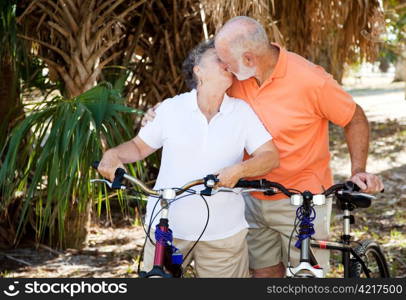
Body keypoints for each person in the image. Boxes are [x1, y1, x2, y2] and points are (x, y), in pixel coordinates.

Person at [142, 16, 384, 278]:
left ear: (248, 59)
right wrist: (158, 113)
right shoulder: (237, 78)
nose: (224, 67)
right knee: (263, 276)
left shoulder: (311, 80)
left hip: (301, 199)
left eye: (227, 62)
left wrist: (358, 169)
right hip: (249, 197)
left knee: (306, 279)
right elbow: (200, 98)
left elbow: (354, 117)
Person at [96, 39, 279, 278]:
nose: (226, 62)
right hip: (167, 228)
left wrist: (239, 170)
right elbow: (138, 148)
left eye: (228, 59)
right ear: (198, 70)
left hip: (223, 236)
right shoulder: (170, 109)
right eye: (218, 57)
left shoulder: (242, 112)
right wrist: (112, 155)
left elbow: (270, 157)